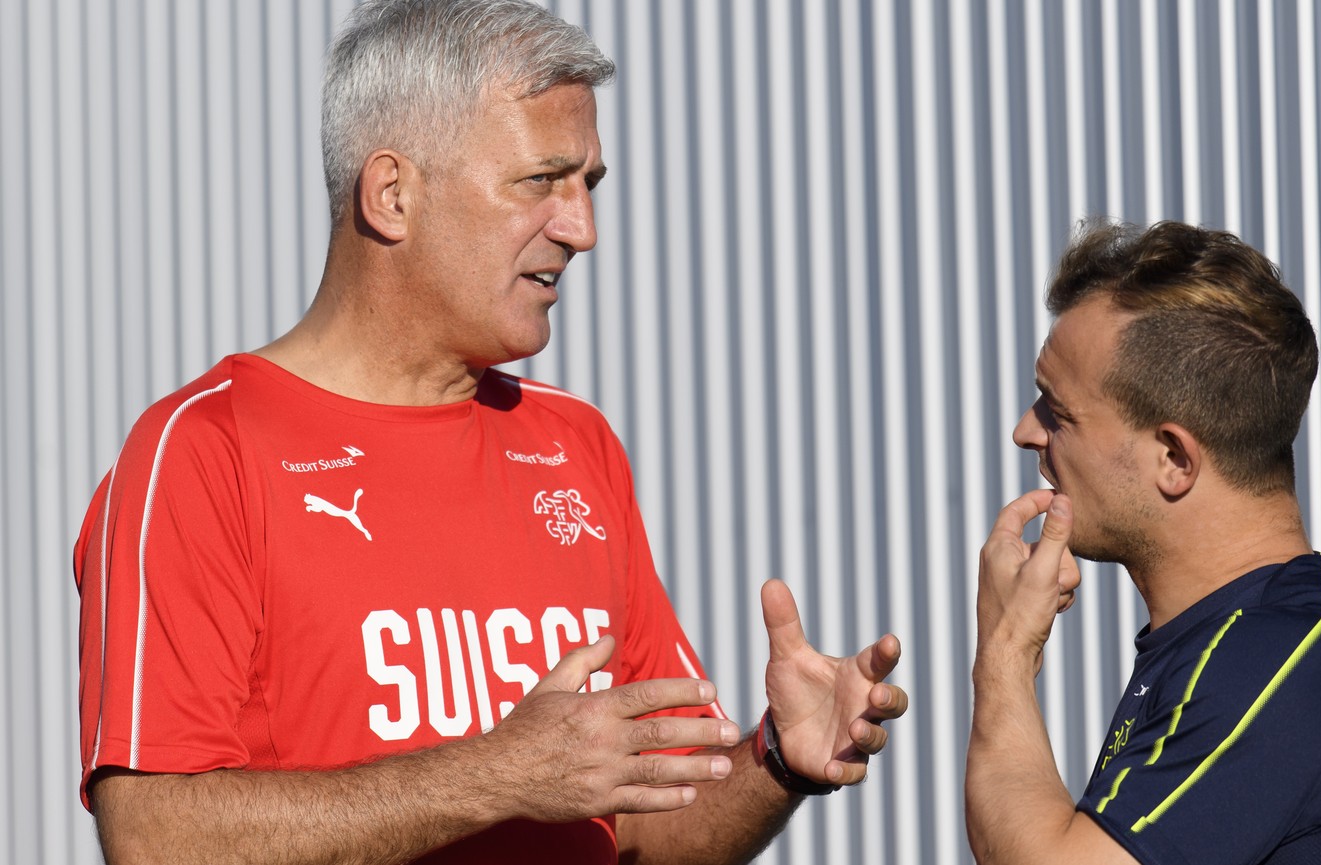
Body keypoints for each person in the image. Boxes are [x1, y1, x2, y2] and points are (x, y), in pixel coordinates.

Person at [73, 2, 907, 863]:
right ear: (393, 195)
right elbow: (154, 835)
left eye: (589, 183)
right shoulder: (203, 449)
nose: (581, 229)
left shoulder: (574, 442)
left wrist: (775, 761)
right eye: (541, 180)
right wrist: (497, 774)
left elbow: (652, 819)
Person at [966, 220, 1321, 864]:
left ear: (1174, 459)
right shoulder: (1271, 636)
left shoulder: (1276, 663)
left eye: (1058, 410)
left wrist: (1005, 652)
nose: (1026, 431)